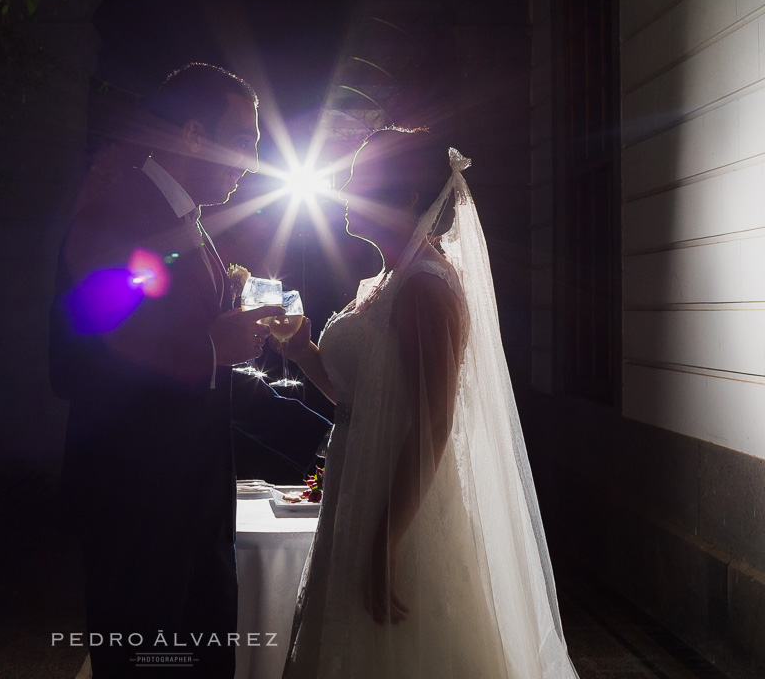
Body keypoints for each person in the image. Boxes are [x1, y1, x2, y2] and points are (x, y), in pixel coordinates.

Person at [276, 129, 579, 678]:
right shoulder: (382, 282)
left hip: (401, 499)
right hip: (358, 483)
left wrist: (387, 540)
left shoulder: (425, 288)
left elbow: (436, 422)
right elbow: (357, 401)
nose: (343, 187)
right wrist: (301, 350)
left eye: (358, 177)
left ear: (407, 197)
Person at [50, 63, 282, 678]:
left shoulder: (187, 216)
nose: (251, 163)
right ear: (191, 135)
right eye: (243, 143)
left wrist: (229, 312)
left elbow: (159, 313)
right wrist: (211, 348)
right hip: (138, 501)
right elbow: (84, 343)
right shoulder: (118, 198)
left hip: (188, 504)